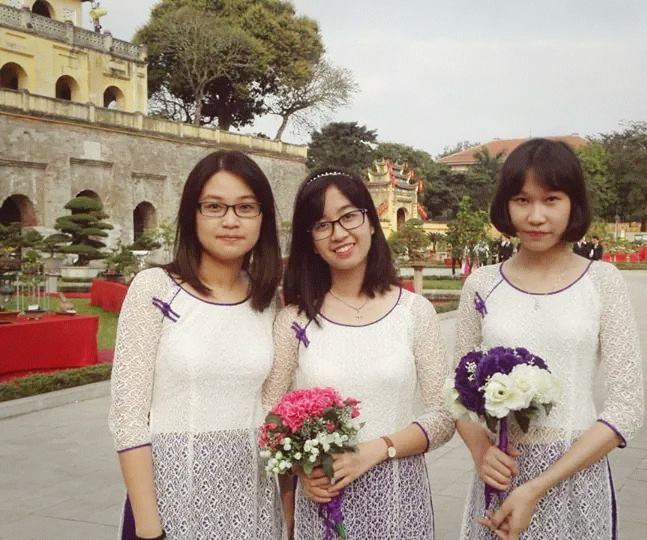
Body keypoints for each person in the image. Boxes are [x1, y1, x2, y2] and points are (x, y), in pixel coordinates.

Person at [454, 139, 643, 539]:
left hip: (576, 473)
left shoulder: (602, 282)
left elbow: (627, 407)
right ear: (506, 205)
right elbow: (456, 391)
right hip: (502, 474)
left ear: (573, 204)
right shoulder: (482, 284)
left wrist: (537, 487)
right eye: (522, 200)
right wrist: (481, 451)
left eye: (551, 199)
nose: (536, 216)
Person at [263, 168, 455, 539]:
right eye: (322, 225)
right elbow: (269, 412)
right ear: (310, 240)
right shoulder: (294, 320)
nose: (339, 233)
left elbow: (444, 415)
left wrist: (376, 450)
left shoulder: (413, 312)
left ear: (371, 222)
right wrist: (301, 468)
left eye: (349, 216)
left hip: (398, 499)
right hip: (323, 501)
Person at [108, 151, 284, 540]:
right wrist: (149, 530)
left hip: (252, 505)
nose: (231, 220)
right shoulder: (155, 289)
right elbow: (127, 417)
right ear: (193, 214)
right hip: (172, 501)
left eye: (245, 207)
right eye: (214, 207)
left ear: (263, 218)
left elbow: (271, 406)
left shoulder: (268, 300)